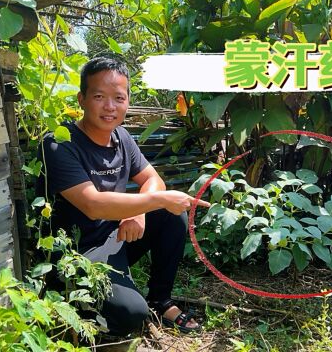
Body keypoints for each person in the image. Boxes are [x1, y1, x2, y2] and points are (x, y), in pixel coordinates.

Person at [37, 57, 210, 336]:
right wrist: (156, 201)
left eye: (119, 97)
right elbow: (93, 205)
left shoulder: (122, 137)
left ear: (128, 100)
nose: (110, 106)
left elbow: (153, 179)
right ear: (81, 99)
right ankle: (78, 307)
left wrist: (138, 212)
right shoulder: (59, 143)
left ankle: (161, 300)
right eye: (99, 96)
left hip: (114, 236)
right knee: (132, 315)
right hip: (77, 252)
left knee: (172, 214)